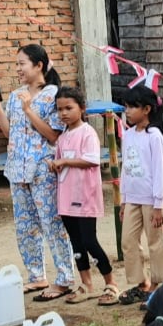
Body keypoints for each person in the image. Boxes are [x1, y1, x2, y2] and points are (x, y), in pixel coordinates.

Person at [0, 43, 76, 302]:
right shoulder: (16, 95)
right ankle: (37, 275)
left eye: (22, 64)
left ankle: (65, 278)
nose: (18, 69)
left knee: (52, 224)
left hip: (42, 169)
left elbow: (53, 135)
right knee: (25, 227)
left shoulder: (53, 95)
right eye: (17, 64)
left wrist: (29, 110)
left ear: (38, 65)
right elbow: (9, 133)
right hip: (16, 170)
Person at [46, 85, 119, 306]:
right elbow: (61, 162)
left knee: (89, 240)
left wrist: (64, 161)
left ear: (82, 108)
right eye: (60, 109)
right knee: (76, 242)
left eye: (68, 108)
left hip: (85, 196)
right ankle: (87, 284)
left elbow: (92, 160)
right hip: (66, 197)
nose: (63, 113)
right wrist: (55, 165)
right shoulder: (63, 137)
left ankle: (111, 283)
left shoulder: (87, 133)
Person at [117, 84, 163, 306]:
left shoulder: (154, 136)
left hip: (151, 200)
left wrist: (159, 204)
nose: (128, 111)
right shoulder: (128, 135)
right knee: (128, 240)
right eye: (126, 107)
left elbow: (159, 171)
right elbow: (126, 168)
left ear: (147, 109)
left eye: (132, 107)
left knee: (154, 242)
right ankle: (141, 283)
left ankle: (159, 284)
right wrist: (123, 200)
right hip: (132, 198)